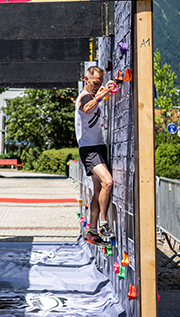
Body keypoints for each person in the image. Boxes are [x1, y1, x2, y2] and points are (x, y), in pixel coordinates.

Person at [75, 66, 116, 247]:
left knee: (98, 190)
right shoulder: (84, 97)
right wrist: (102, 94)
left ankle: (92, 232)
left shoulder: (93, 94)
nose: (96, 86)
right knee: (108, 182)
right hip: (89, 150)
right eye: (94, 83)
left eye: (99, 83)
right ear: (86, 79)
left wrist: (107, 88)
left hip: (99, 147)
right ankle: (104, 224)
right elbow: (86, 108)